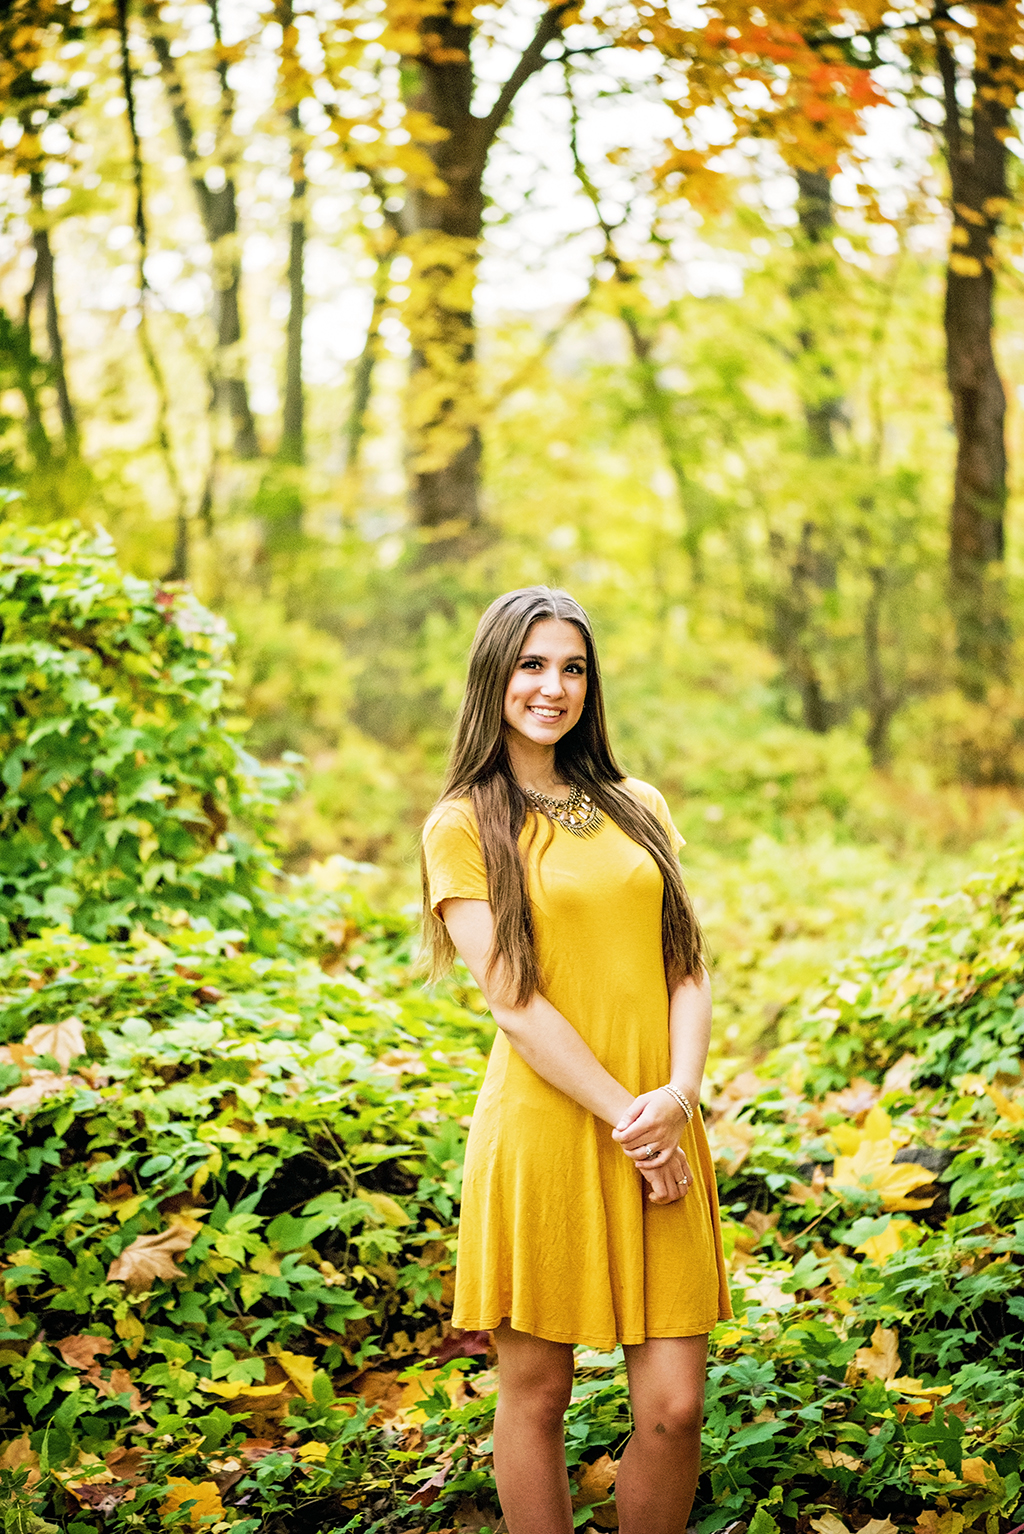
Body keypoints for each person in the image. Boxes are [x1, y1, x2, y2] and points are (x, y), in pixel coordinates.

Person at [421, 586, 731, 1534]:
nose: (552, 687)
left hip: (660, 1124)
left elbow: (687, 963)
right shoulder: (463, 824)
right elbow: (512, 1001)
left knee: (674, 1410)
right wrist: (627, 1115)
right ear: (495, 676)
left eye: (572, 668)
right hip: (549, 1126)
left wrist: (674, 1098)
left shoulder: (638, 806)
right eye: (532, 665)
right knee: (539, 1392)